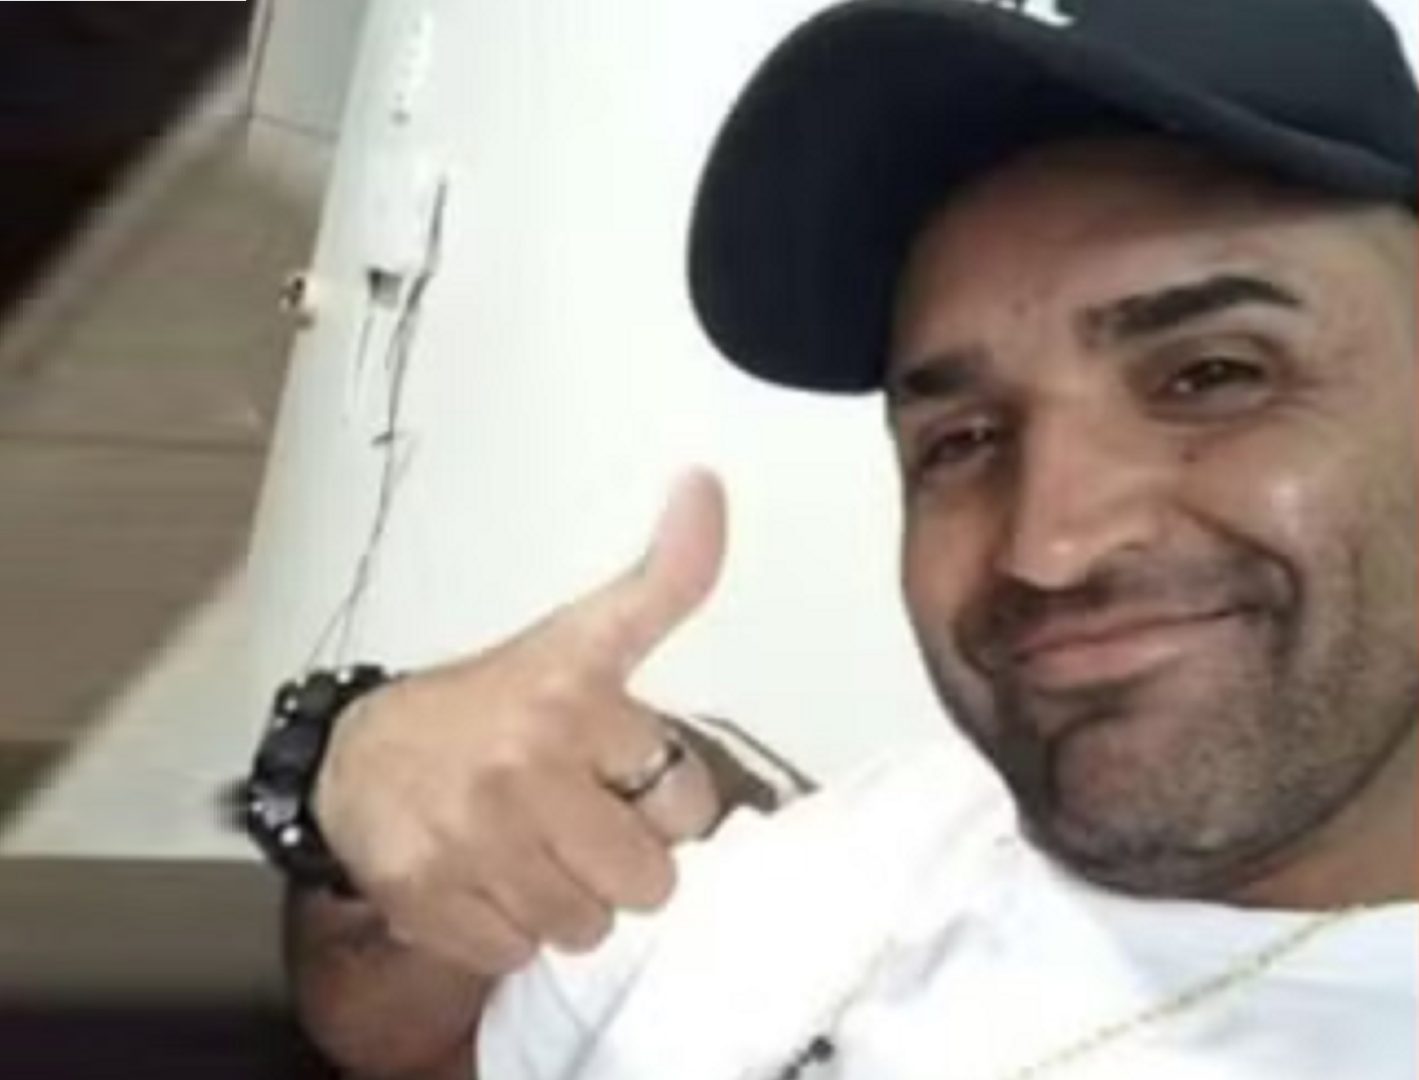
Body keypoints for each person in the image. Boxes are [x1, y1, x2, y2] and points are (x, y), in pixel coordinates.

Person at [246, 0, 1417, 1076]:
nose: (1048, 547)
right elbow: (408, 1028)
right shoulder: (886, 841)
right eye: (961, 439)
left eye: (1213, 374)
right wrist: (350, 766)